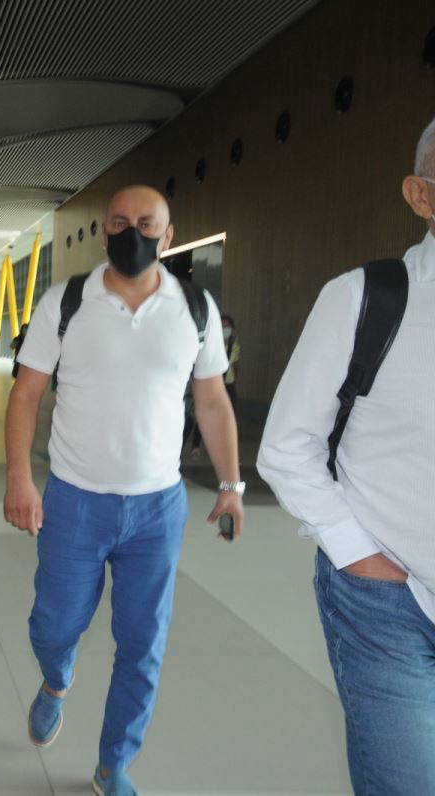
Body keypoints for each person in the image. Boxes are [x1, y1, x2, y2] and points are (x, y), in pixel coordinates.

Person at [4, 185, 244, 796]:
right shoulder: (66, 302)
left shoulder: (195, 308)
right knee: (54, 625)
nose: (131, 232)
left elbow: (212, 401)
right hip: (74, 501)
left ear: (168, 234)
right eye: (118, 222)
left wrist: (231, 484)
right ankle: (56, 680)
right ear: (103, 230)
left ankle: (114, 765)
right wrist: (19, 477)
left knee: (142, 644)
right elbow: (26, 393)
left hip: (157, 508)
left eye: (146, 222)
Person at [257, 117, 435, 796]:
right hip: (388, 601)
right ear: (420, 195)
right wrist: (358, 556)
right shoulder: (367, 298)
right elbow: (286, 445)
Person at [220, 314, 240, 412]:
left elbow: (235, 363)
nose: (225, 329)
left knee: (230, 410)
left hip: (229, 383)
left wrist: (235, 378)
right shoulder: (213, 345)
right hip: (215, 383)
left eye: (227, 326)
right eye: (222, 326)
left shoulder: (234, 346)